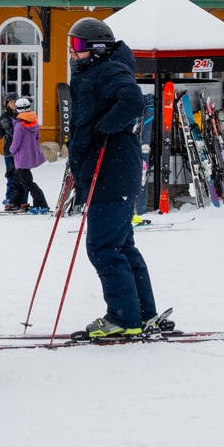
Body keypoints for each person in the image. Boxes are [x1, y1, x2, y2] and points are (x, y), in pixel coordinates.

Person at [67, 18, 167, 339]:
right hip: (112, 169)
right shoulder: (99, 70)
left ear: (96, 49)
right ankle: (142, 312)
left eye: (79, 46)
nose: (73, 52)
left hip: (110, 170)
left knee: (103, 248)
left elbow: (134, 101)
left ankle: (124, 317)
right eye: (72, 45)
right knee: (121, 246)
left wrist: (104, 127)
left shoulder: (110, 70)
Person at [6, 97, 50, 214]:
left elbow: (16, 142)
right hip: (30, 156)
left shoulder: (20, 125)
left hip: (21, 158)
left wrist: (12, 150)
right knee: (18, 180)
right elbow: (37, 138)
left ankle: (41, 204)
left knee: (27, 182)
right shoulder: (34, 123)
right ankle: (15, 202)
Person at [0, 92, 18, 205]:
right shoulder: (4, 116)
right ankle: (9, 198)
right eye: (11, 102)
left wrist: (12, 129)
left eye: (15, 102)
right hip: (9, 151)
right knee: (10, 176)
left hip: (20, 152)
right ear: (7, 104)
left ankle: (21, 200)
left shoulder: (21, 115)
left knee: (21, 176)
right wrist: (3, 127)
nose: (13, 104)